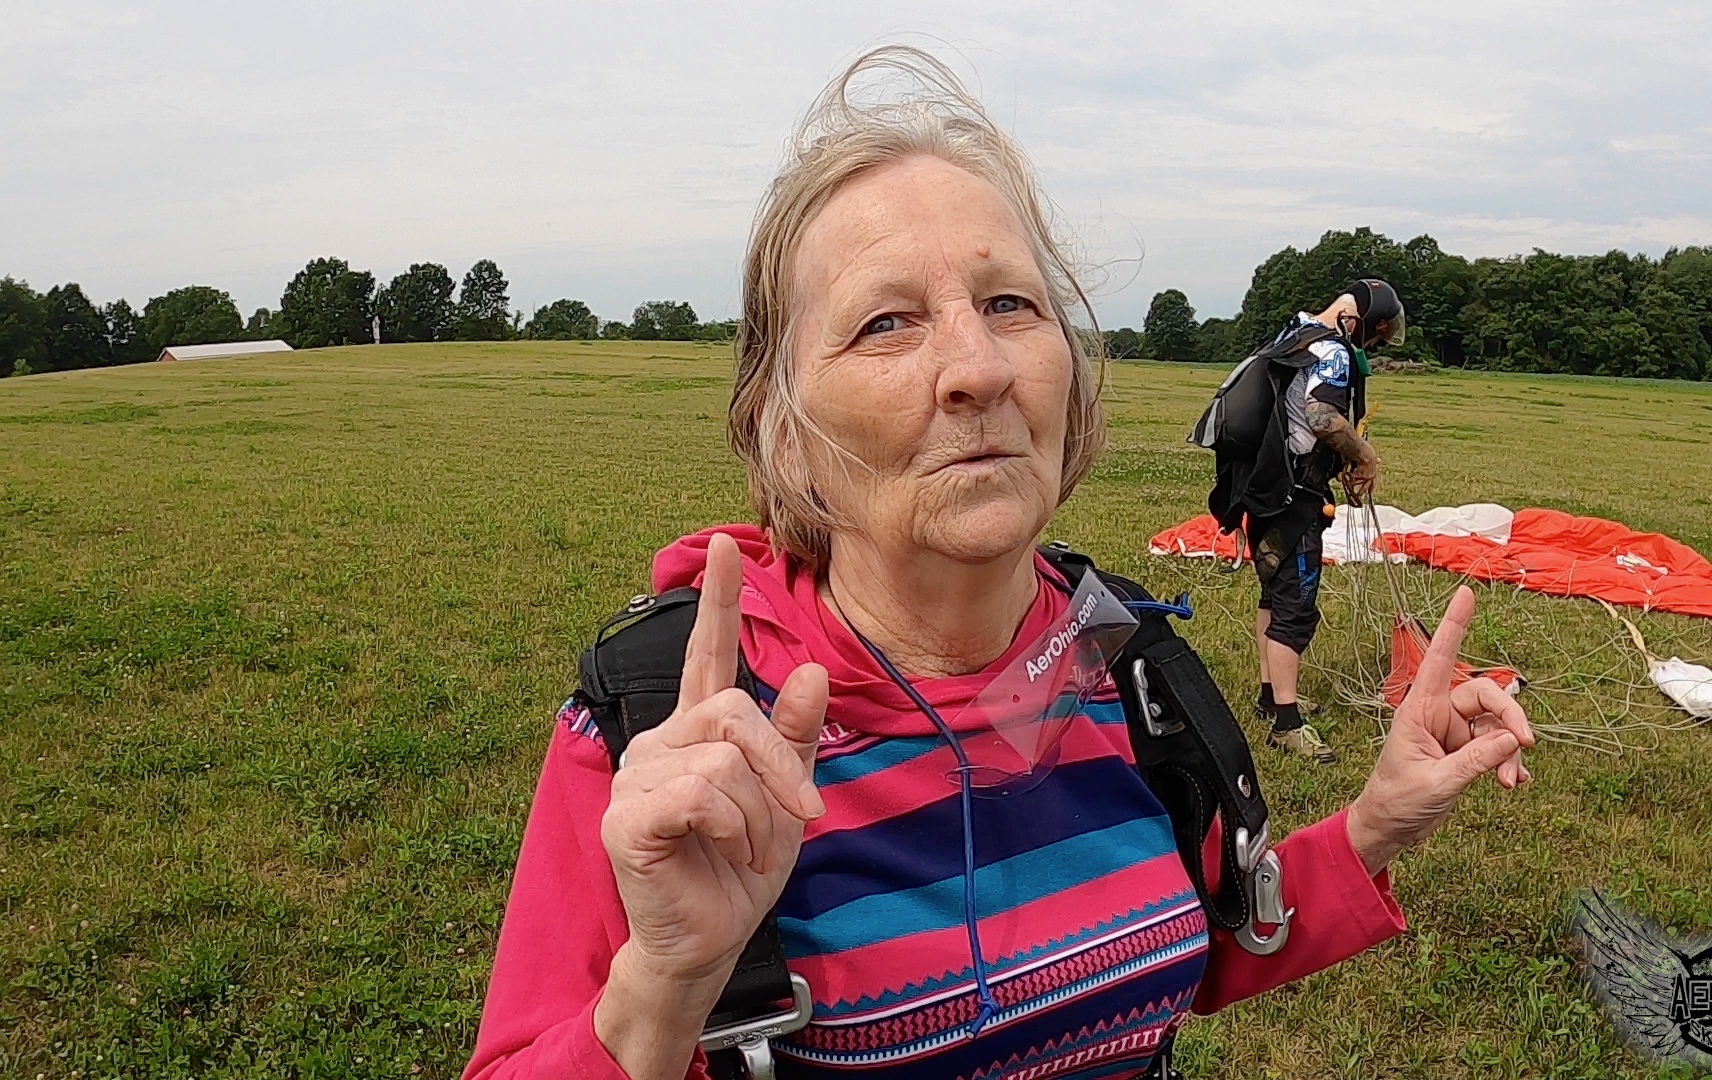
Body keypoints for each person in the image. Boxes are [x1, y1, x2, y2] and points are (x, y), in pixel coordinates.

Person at [465, 47, 1531, 1080]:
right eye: (887, 322)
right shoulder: (666, 735)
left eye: (1010, 305)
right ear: (783, 430)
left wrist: (1373, 828)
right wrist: (661, 990)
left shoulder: (1127, 666)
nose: (977, 367)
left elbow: (1202, 947)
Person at [1245, 282, 1402, 765]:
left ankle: (1271, 696)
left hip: (1264, 488)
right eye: (1375, 338)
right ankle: (1287, 725)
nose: (1370, 347)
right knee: (1295, 608)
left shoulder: (1296, 333)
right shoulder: (1332, 349)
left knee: (1273, 595)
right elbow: (1320, 416)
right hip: (1295, 499)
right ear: (1368, 324)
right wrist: (1364, 454)